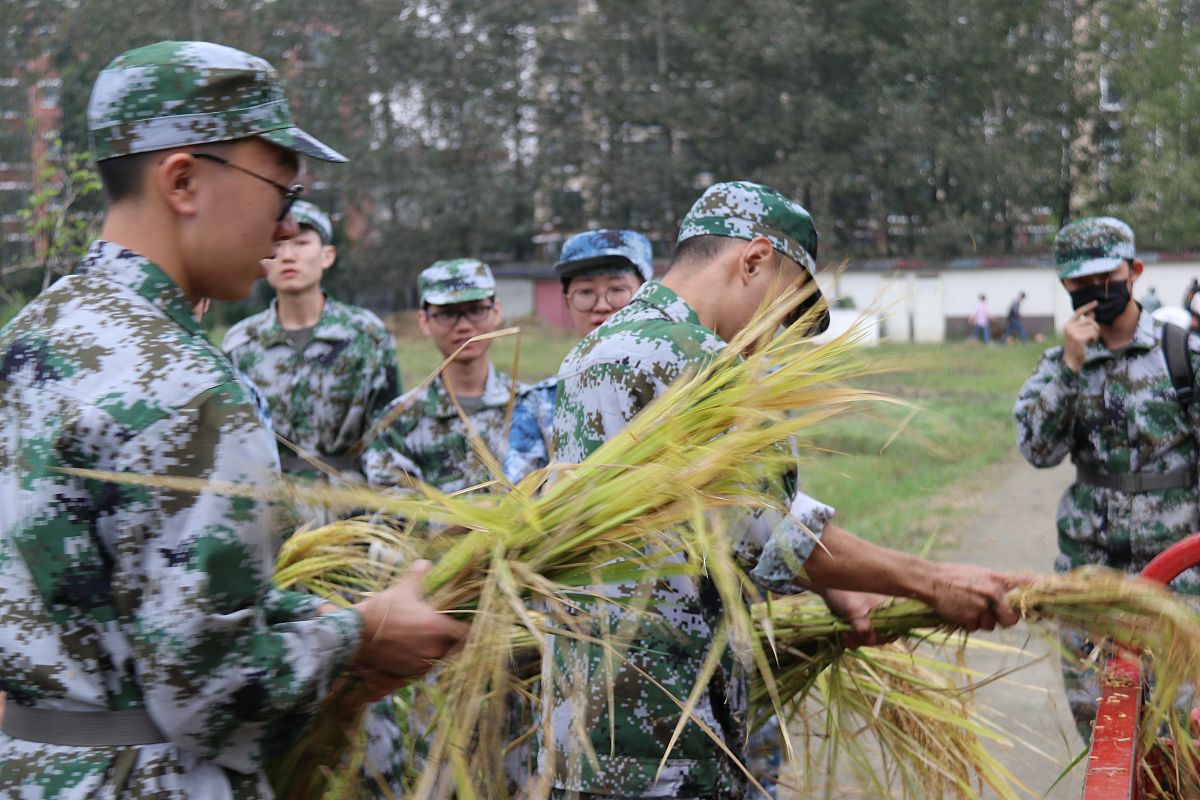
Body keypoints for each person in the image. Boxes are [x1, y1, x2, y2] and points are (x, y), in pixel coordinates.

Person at [0, 41, 467, 798]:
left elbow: (107, 585)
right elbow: (214, 696)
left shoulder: (33, 337)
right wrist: (362, 634)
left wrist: (314, 613)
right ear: (183, 180)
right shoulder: (184, 384)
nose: (284, 228)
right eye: (279, 193)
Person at [545, 180, 1022, 799]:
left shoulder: (595, 351)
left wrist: (843, 595)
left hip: (588, 728)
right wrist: (932, 581)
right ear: (754, 259)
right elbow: (768, 532)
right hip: (669, 730)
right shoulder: (692, 359)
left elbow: (709, 526)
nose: (777, 335)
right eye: (786, 307)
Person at [1014, 216, 1200, 740]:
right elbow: (1038, 450)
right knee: (1102, 733)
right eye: (1080, 282)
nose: (1095, 291)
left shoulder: (1182, 356)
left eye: (1106, 276)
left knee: (1176, 733)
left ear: (1134, 271)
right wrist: (1070, 367)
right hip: (1090, 575)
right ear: (1066, 285)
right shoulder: (1058, 365)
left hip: (1177, 583)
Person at [223, 199, 401, 487]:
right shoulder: (241, 343)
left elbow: (388, 433)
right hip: (269, 508)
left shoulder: (367, 335)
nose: (288, 256)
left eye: (301, 243)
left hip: (351, 507)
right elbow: (233, 442)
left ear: (327, 256)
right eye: (278, 244)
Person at [504, 228, 654, 483]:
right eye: (585, 292)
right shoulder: (539, 405)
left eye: (617, 289)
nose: (602, 305)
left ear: (646, 293)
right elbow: (518, 499)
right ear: (566, 302)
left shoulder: (676, 384)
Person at [364, 259, 519, 493]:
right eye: (447, 314)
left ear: (496, 312)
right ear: (424, 321)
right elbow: (388, 514)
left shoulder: (530, 407)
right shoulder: (399, 421)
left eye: (476, 310)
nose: (464, 326)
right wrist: (448, 522)